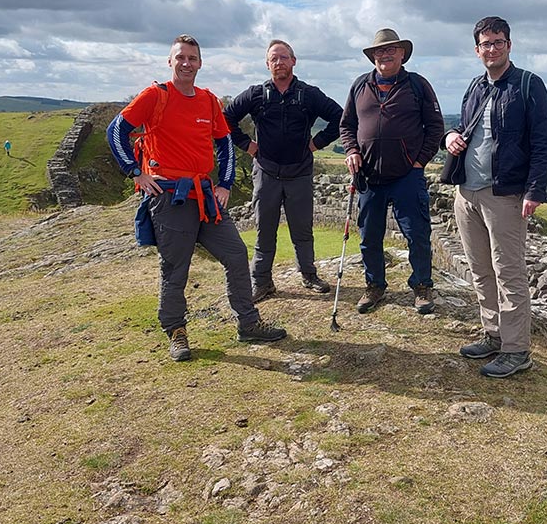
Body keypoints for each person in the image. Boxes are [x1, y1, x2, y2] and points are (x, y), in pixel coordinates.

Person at [106, 34, 287, 362]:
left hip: (205, 194)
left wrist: (226, 183)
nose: (186, 63)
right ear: (170, 61)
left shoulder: (207, 100)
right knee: (176, 267)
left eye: (192, 58)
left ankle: (248, 324)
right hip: (169, 197)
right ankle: (176, 332)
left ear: (200, 63)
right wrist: (136, 173)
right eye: (181, 58)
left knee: (235, 253)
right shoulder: (155, 96)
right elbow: (115, 130)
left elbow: (225, 143)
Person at [444, 16, 547, 378]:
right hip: (467, 192)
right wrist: (451, 136)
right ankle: (493, 334)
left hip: (504, 195)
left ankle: (516, 349)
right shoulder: (476, 86)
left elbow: (542, 142)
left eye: (498, 42)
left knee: (509, 271)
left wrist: (535, 190)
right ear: (477, 50)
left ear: (509, 45)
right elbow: (465, 127)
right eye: (485, 43)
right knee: (480, 269)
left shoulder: (528, 85)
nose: (491, 48)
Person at [223, 39, 344, 302]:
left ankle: (309, 275)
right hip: (266, 172)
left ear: (293, 61)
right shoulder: (256, 94)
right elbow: (226, 118)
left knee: (302, 229)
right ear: (267, 64)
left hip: (299, 172)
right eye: (274, 59)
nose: (279, 62)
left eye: (284, 57)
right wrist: (247, 145)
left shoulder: (309, 94)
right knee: (264, 229)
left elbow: (339, 117)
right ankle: (262, 282)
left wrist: (316, 143)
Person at [340, 28, 444, 315]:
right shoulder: (360, 85)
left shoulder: (417, 85)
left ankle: (422, 286)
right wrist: (351, 151)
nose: (384, 54)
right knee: (369, 236)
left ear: (402, 54)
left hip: (407, 176)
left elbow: (435, 128)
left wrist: (419, 162)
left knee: (417, 234)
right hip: (370, 177)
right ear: (373, 56)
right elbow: (346, 126)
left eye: (391, 49)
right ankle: (374, 286)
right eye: (379, 51)